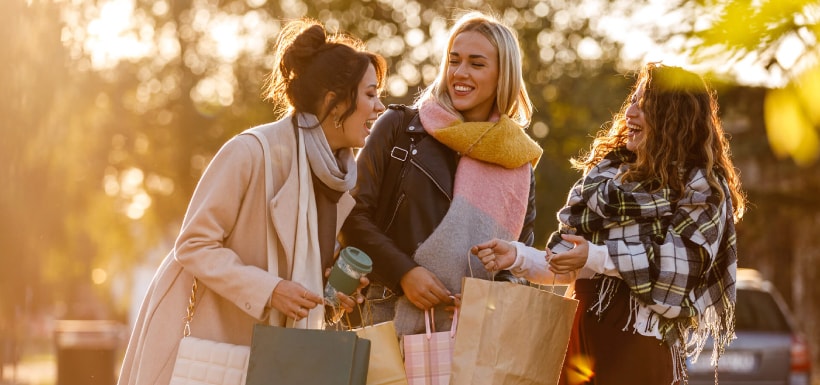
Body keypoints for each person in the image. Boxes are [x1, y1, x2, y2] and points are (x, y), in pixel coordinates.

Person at [117, 19, 387, 385]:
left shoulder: (336, 178)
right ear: (333, 101)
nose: (379, 107)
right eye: (370, 94)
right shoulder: (250, 152)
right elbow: (193, 245)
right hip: (220, 350)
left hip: (283, 360)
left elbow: (296, 269)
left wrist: (328, 294)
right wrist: (270, 290)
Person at [472, 63, 746, 384]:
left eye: (645, 106)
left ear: (675, 119)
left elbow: (678, 271)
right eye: (633, 101)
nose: (630, 112)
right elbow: (570, 262)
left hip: (639, 353)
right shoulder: (606, 179)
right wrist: (518, 257)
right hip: (580, 347)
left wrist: (595, 256)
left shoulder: (700, 188)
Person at [340, 11, 542, 336]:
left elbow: (519, 261)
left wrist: (484, 301)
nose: (460, 73)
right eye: (454, 60)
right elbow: (352, 216)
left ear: (503, 74)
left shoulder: (517, 163)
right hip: (386, 315)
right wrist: (404, 273)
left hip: (467, 336)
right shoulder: (400, 128)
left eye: (477, 64)